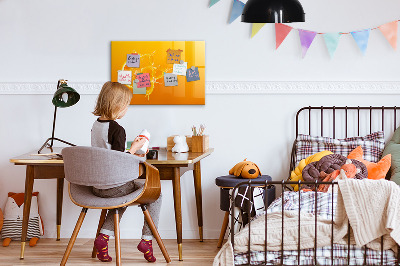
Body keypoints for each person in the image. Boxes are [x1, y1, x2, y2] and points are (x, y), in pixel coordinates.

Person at [91, 81, 161, 263]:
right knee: (156, 194)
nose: (127, 109)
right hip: (114, 186)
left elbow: (108, 154)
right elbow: (118, 161)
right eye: (127, 104)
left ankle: (103, 238)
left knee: (122, 198)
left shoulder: (96, 125)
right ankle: (147, 240)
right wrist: (135, 149)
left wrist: (130, 149)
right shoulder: (117, 129)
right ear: (118, 105)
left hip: (97, 186)